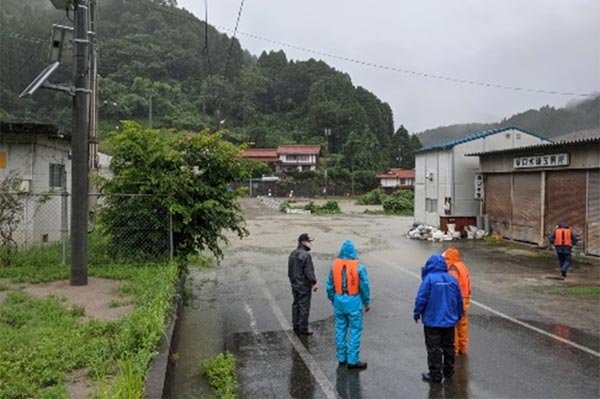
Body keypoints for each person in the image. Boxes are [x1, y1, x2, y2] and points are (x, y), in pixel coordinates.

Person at [414, 253, 464, 383]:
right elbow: (458, 299)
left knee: (433, 348)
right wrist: (459, 314)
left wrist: (417, 313)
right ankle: (448, 371)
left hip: (432, 321)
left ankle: (435, 374)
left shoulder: (429, 279)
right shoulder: (452, 279)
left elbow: (421, 298)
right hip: (449, 320)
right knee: (449, 346)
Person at [326, 240, 371, 370]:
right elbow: (364, 286)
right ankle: (352, 360)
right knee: (354, 331)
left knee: (340, 330)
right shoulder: (359, 268)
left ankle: (341, 358)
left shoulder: (334, 266)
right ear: (353, 252)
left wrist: (333, 298)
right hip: (354, 303)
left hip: (339, 302)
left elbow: (329, 285)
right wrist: (366, 302)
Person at [288, 233, 319, 335]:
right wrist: (314, 282)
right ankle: (303, 328)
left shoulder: (293, 253)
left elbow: (290, 271)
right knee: (304, 307)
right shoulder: (305, 255)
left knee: (296, 305)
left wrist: (293, 281)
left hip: (295, 284)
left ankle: (296, 326)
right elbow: (309, 271)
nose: (310, 243)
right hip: (303, 285)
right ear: (303, 242)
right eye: (308, 241)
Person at [443, 247, 471, 355]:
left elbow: (452, 284)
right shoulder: (461, 265)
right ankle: (463, 348)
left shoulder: (452, 268)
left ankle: (454, 348)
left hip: (456, 298)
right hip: (465, 297)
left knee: (453, 324)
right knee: (463, 323)